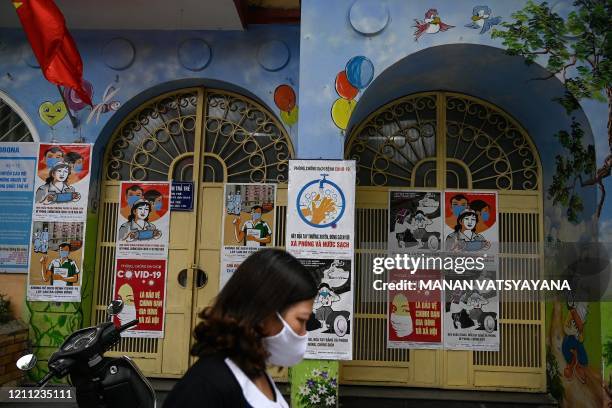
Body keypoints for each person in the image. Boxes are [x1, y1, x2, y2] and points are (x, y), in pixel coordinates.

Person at [164, 249, 320, 407]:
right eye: (301, 320)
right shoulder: (204, 386)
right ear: (264, 313)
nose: (304, 332)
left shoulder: (256, 372)